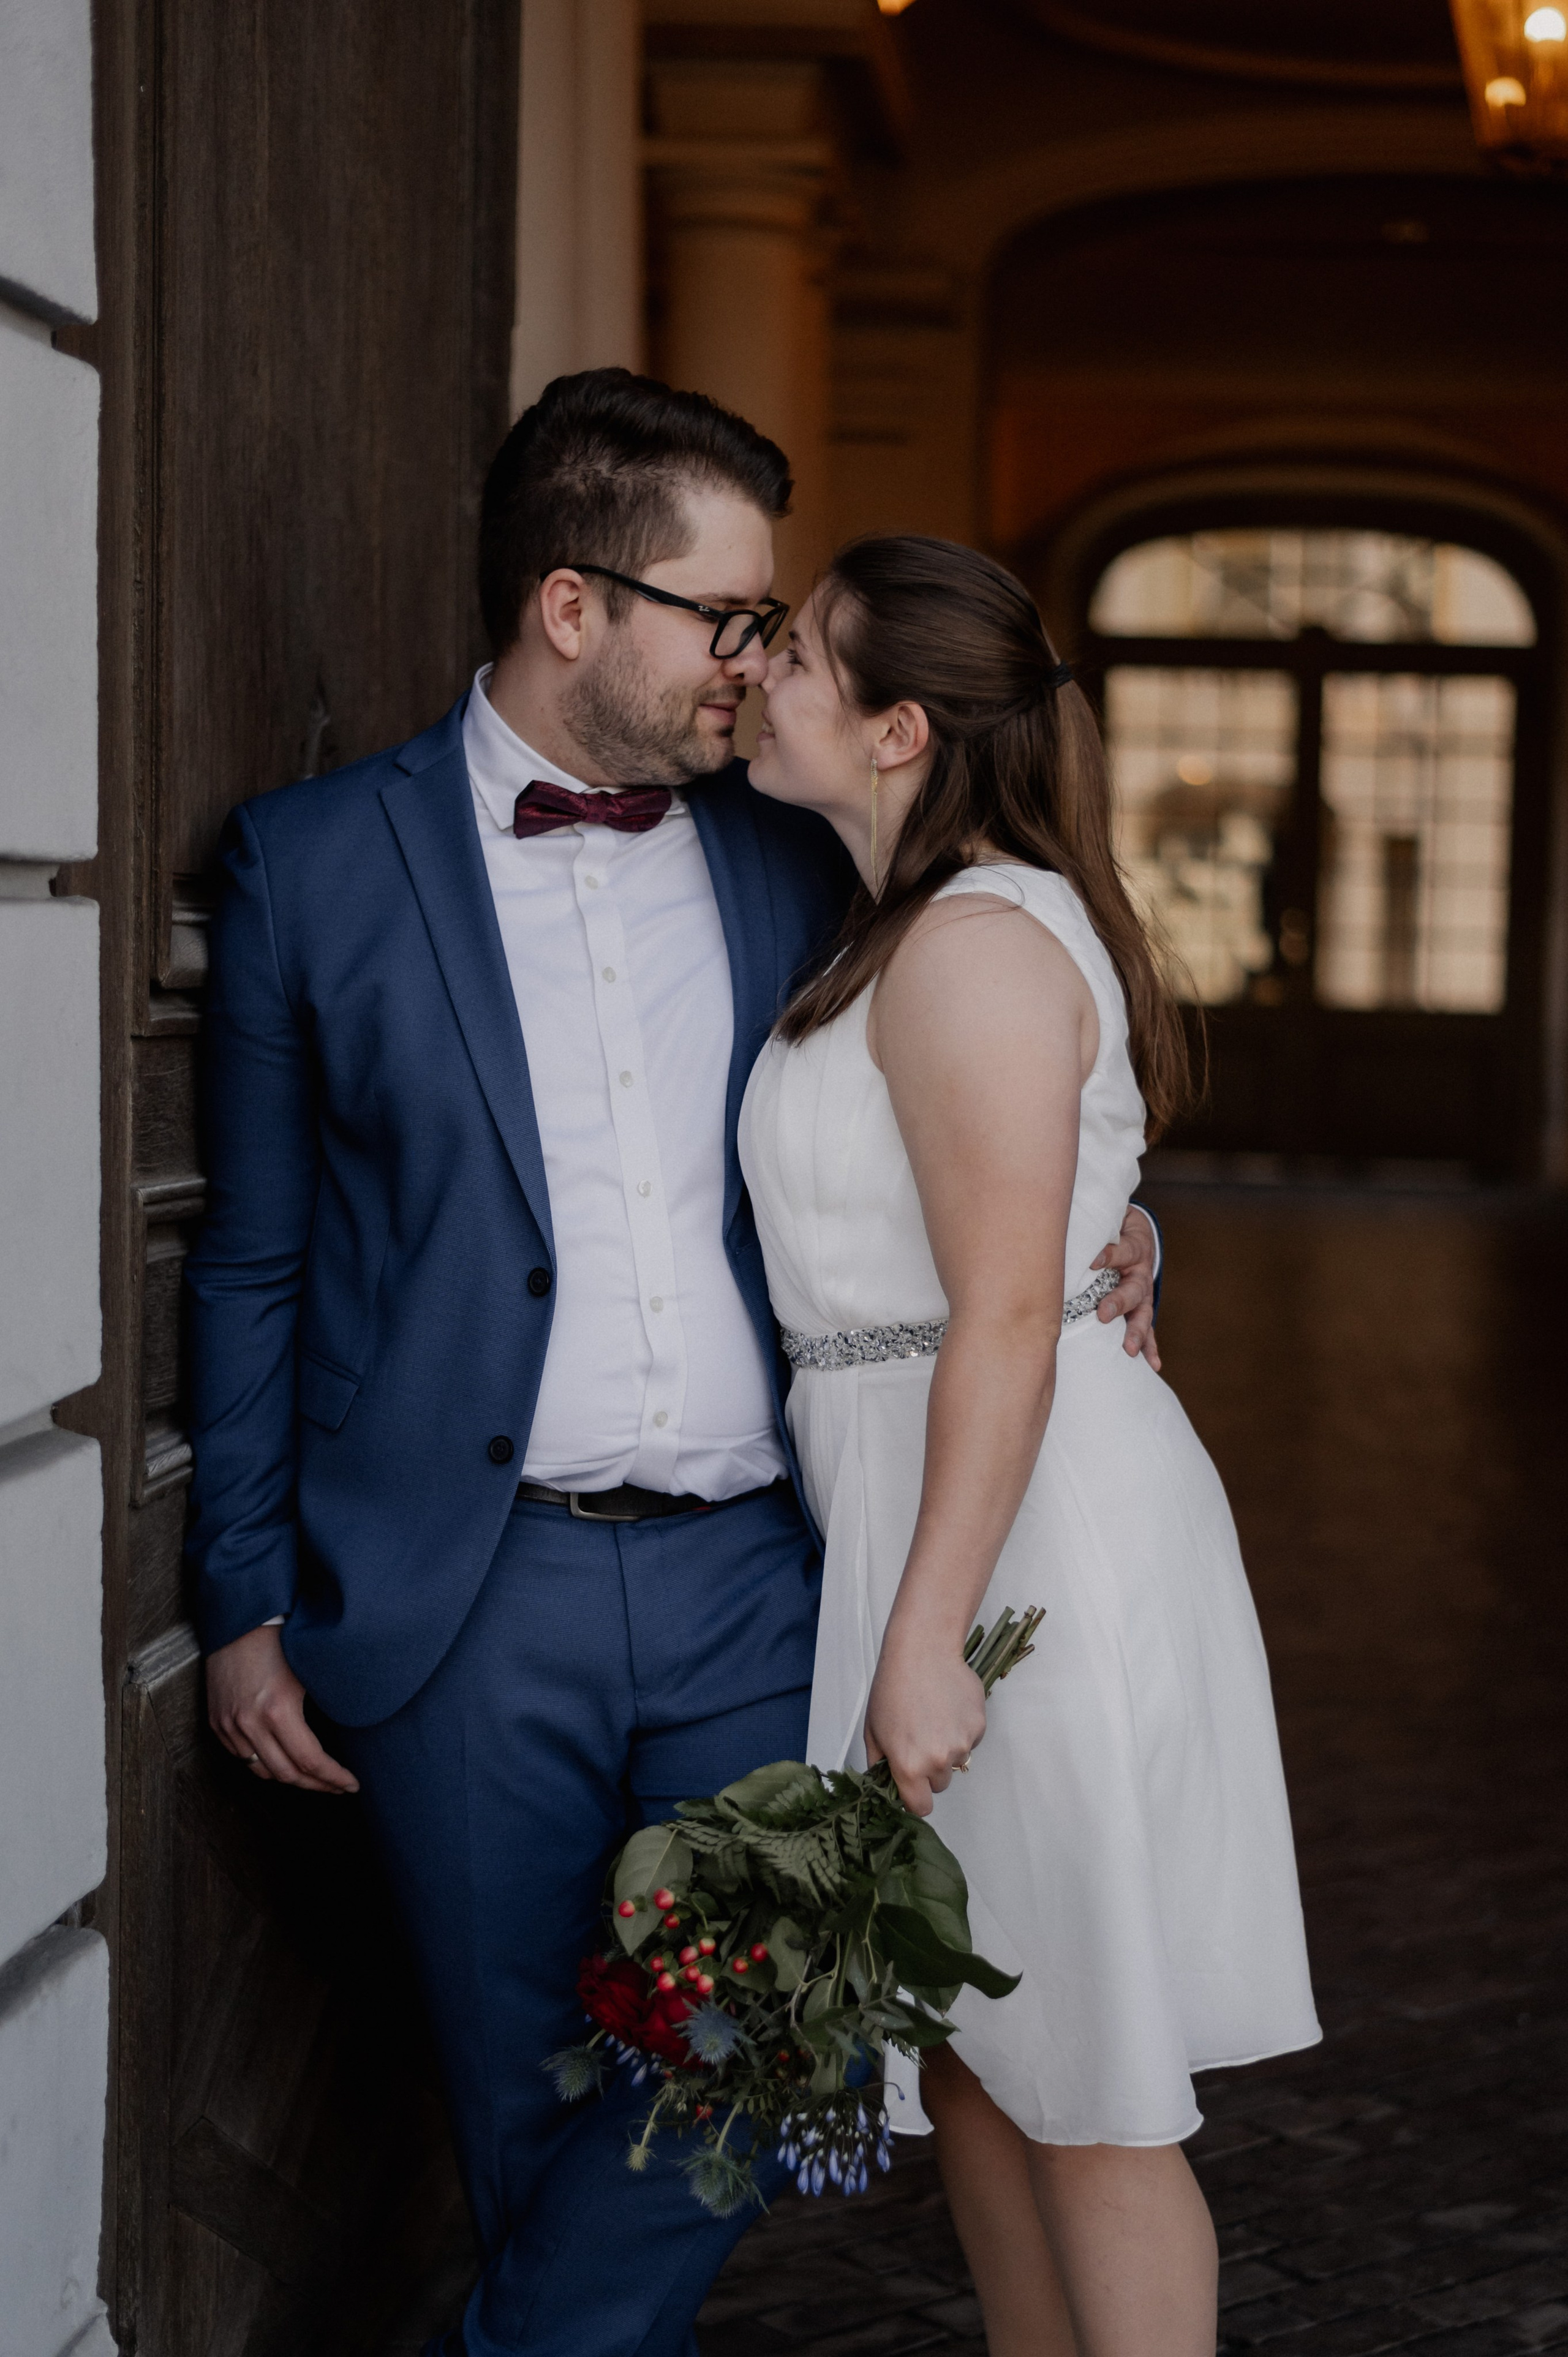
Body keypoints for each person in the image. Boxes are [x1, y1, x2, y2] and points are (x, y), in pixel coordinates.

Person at [186, 372, 1161, 2357]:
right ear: (573, 609)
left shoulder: (798, 855)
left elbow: (991, 1111)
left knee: (770, 2050)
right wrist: (239, 1592)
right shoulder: (315, 864)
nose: (751, 659)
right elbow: (259, 1262)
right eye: (723, 617)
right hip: (469, 1601)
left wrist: (1113, 1240)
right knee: (526, 2097)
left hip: (765, 1586)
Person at [739, 534, 1320, 2357]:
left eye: (805, 661)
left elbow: (1000, 1313)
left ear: (901, 728)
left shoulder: (978, 938)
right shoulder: (911, 924)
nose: (763, 675)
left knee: (1088, 2072)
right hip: (940, 1496)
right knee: (977, 2050)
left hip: (1022, 1537)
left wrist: (929, 1630)